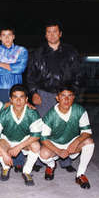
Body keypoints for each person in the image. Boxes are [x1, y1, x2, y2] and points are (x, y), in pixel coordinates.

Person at [26, 19, 81, 172]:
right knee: (41, 126)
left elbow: (77, 74)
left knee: (65, 126)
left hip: (64, 95)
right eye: (49, 32)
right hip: (44, 95)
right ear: (45, 35)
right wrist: (34, 92)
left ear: (60, 33)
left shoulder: (70, 51)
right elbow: (30, 75)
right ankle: (39, 159)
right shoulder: (38, 52)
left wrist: (71, 94)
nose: (52, 35)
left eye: (55, 31)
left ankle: (66, 161)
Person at [0, 25, 28, 172]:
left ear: (14, 36)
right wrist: (12, 66)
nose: (7, 38)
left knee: (17, 123)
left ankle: (18, 160)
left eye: (9, 34)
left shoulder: (21, 50)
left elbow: (21, 68)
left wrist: (1, 65)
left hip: (16, 92)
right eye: (3, 35)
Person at [39, 80, 94, 189]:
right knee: (43, 154)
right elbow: (43, 138)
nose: (66, 99)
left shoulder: (80, 111)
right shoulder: (50, 115)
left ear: (74, 97)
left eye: (70, 96)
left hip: (72, 144)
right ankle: (51, 166)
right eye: (63, 96)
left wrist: (76, 142)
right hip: (55, 144)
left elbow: (86, 132)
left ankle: (80, 175)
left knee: (89, 142)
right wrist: (58, 150)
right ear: (57, 98)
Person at [0, 84, 42, 186]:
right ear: (10, 99)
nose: (18, 101)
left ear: (26, 99)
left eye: (21, 97)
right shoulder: (3, 114)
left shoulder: (32, 113)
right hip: (7, 139)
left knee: (36, 146)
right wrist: (5, 154)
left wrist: (19, 146)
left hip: (24, 139)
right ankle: (5, 167)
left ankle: (27, 171)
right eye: (15, 97)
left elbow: (36, 135)